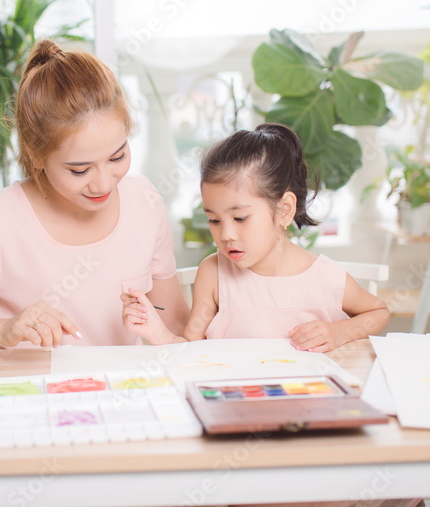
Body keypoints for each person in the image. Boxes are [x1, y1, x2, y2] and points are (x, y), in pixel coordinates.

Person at [0, 39, 190, 355]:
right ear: (36, 156)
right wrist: (2, 330)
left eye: (117, 157)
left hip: (119, 394)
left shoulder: (144, 201)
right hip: (32, 396)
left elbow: (175, 322)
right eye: (79, 170)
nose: (103, 183)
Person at [122, 123, 390, 351]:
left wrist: (339, 332)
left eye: (240, 218)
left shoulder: (327, 278)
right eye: (214, 220)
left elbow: (379, 312)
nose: (225, 235)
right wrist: (159, 334)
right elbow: (191, 349)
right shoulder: (214, 273)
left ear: (284, 209)